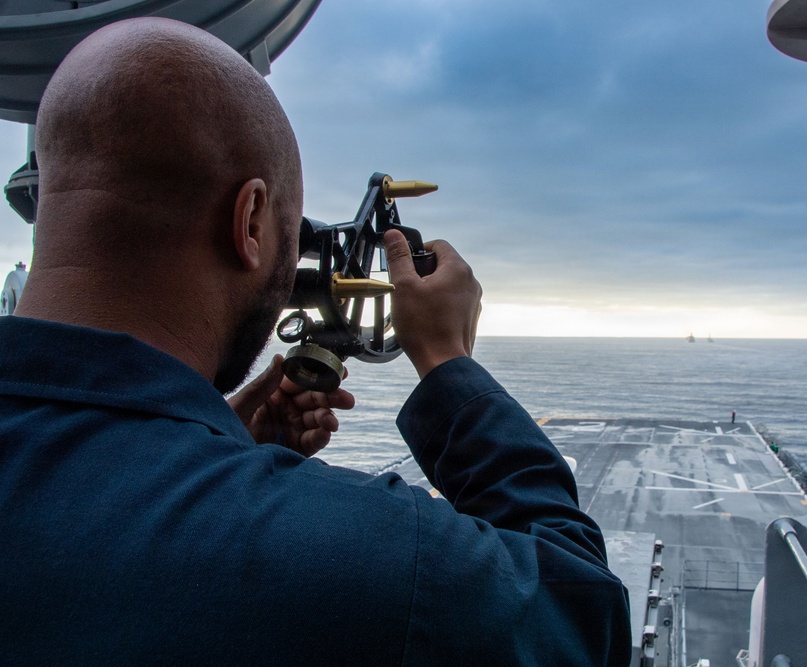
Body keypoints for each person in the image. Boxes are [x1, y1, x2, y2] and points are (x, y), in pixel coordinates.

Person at [0, 17, 631, 666]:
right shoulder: (356, 561)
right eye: (285, 229)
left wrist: (213, 446)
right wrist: (448, 362)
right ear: (248, 221)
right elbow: (579, 618)